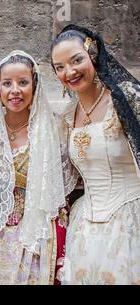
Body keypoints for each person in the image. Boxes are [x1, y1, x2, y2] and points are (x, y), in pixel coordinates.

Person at [51, 24, 140, 285]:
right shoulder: (67, 116)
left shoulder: (127, 99)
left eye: (76, 60)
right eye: (59, 67)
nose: (70, 72)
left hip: (130, 220)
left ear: (93, 53)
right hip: (85, 229)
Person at [0, 50, 70, 284]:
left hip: (38, 234)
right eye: (7, 83)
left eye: (23, 82)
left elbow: (62, 195)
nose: (15, 90)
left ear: (35, 85)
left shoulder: (53, 130)